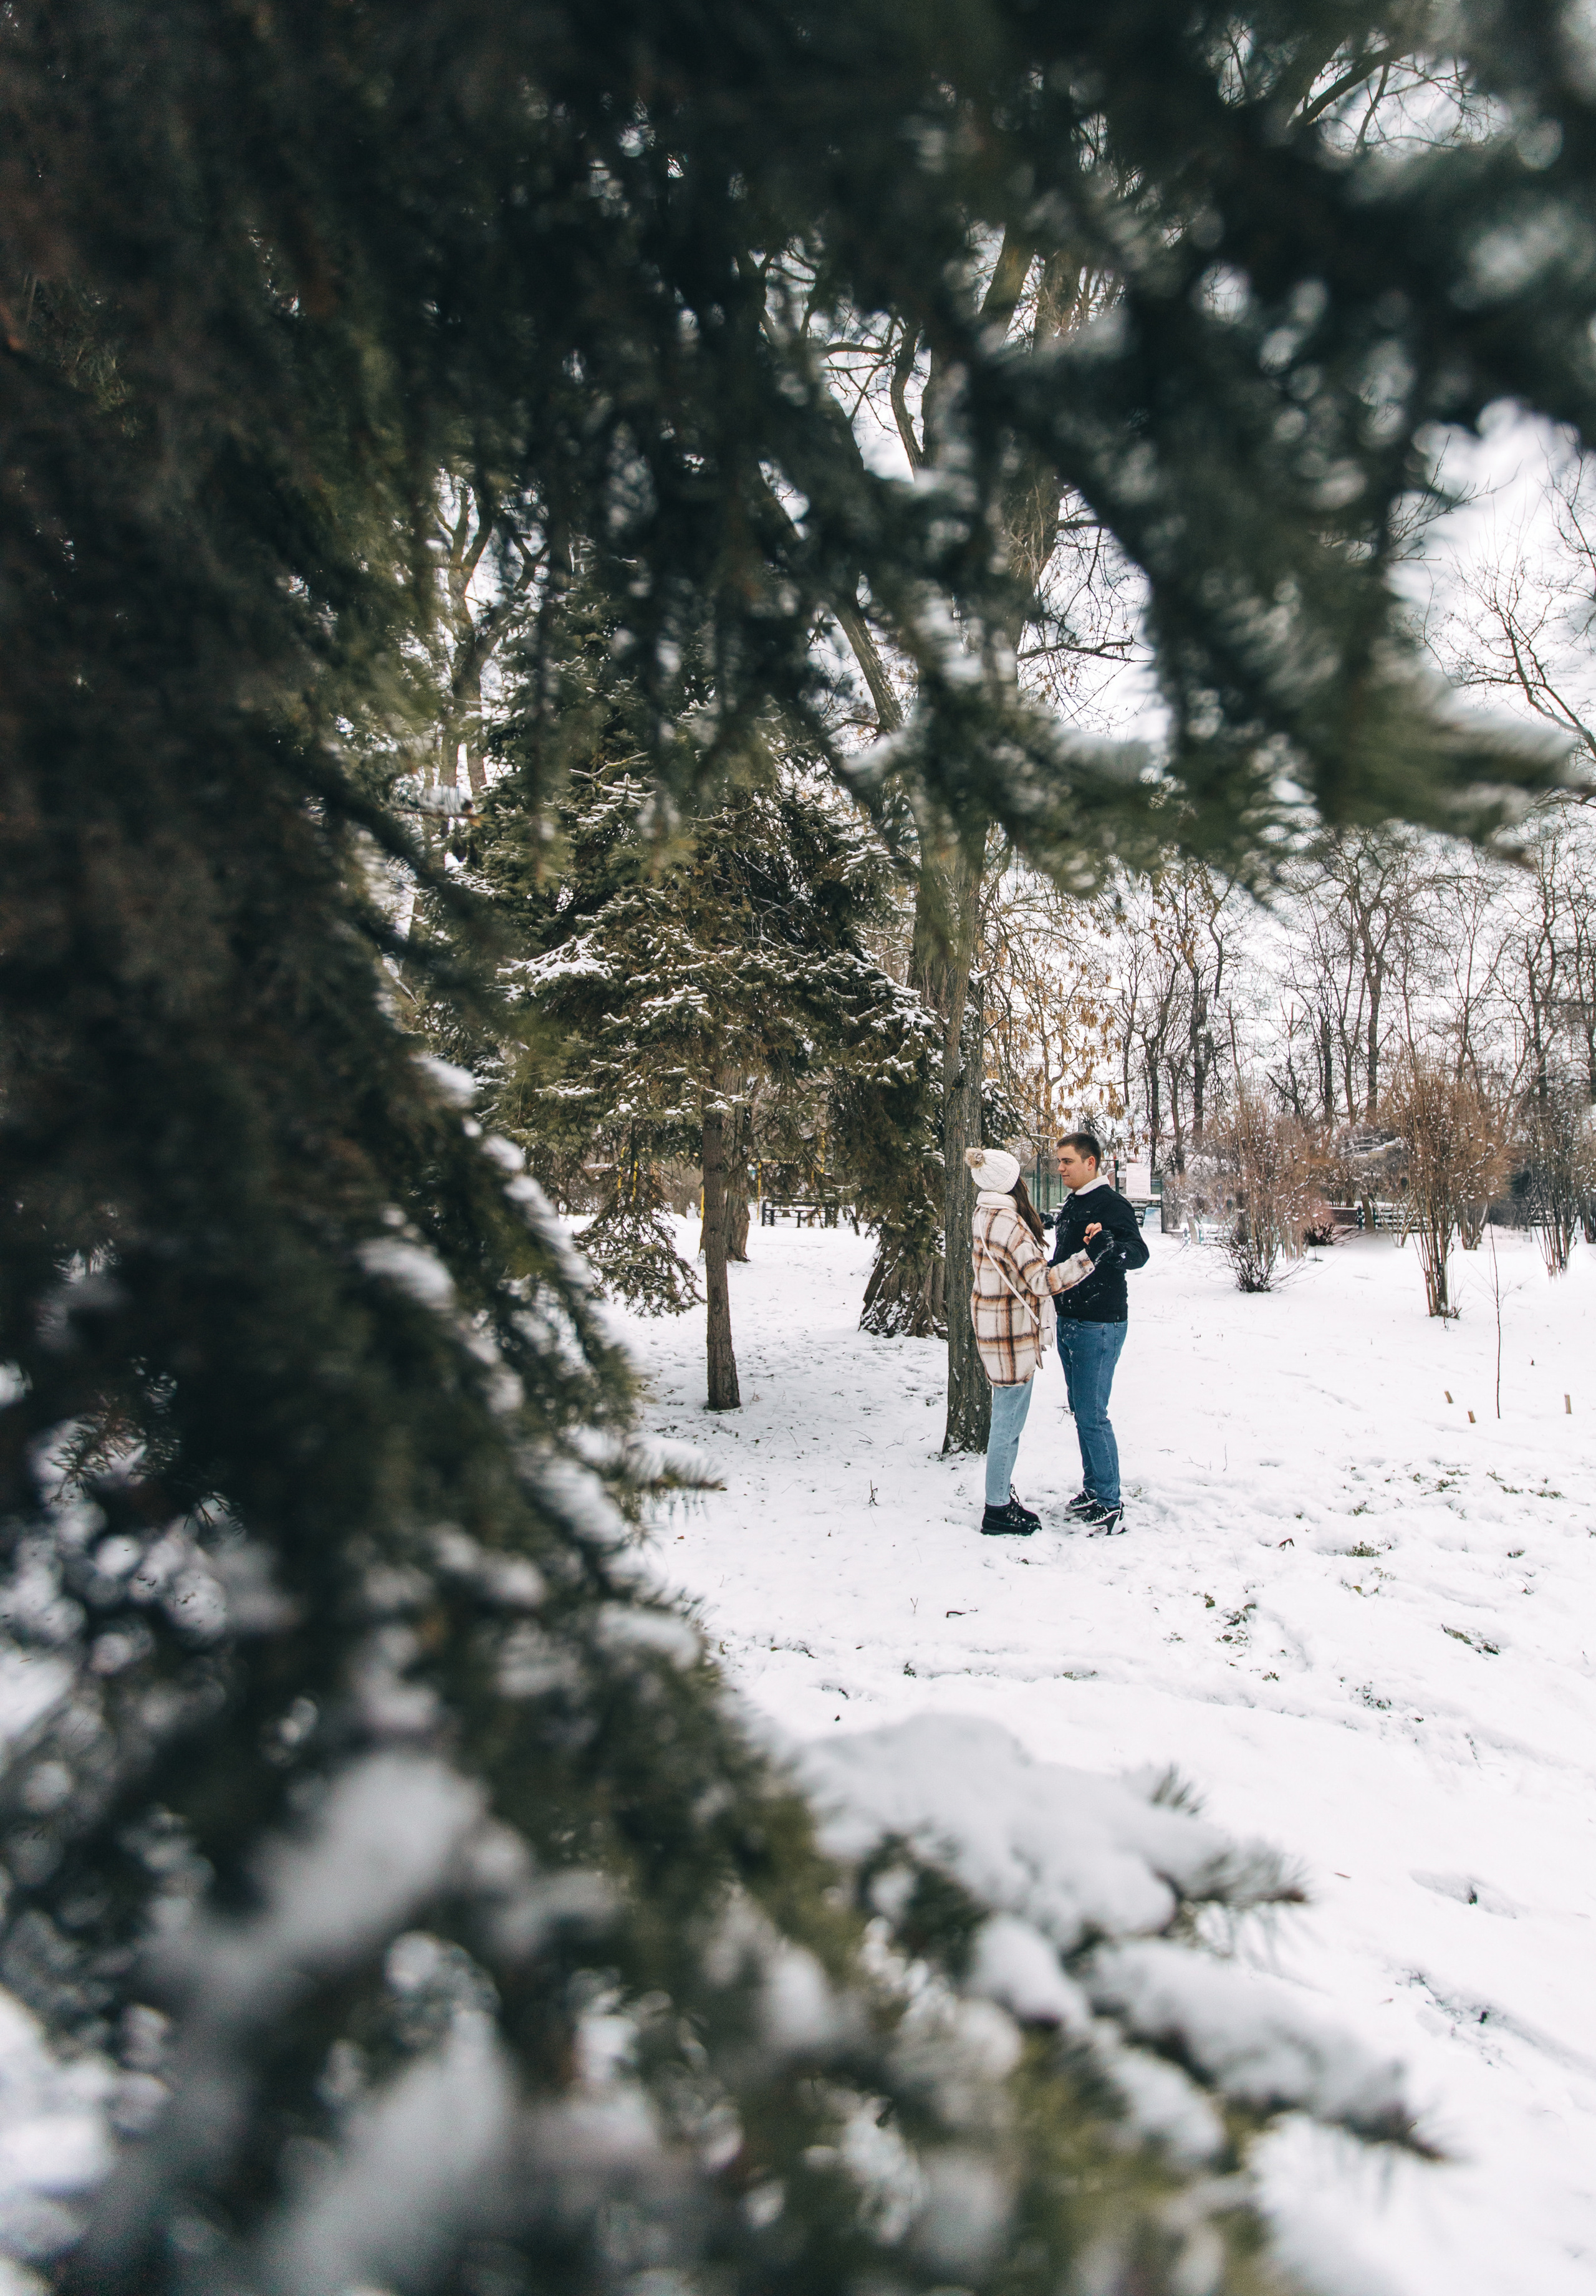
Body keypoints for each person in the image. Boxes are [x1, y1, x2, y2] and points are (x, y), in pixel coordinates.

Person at [965, 1148, 1087, 1537]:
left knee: (1006, 1418)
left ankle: (999, 1496)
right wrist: (1090, 1258)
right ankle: (997, 1509)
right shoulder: (1009, 1224)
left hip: (992, 1327)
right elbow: (1042, 1282)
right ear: (1011, 1182)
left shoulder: (984, 1213)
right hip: (1010, 1335)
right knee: (1008, 1424)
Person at [1047, 1130, 1150, 1534]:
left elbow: (1138, 1253)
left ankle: (1109, 1501)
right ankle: (1093, 1489)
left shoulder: (1112, 1204)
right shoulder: (1074, 1203)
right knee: (1081, 1408)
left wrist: (1112, 1246)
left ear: (1091, 1163)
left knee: (1092, 1412)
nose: (1060, 1168)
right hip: (1070, 1319)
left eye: (1067, 1161)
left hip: (1100, 1322)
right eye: (1059, 1161)